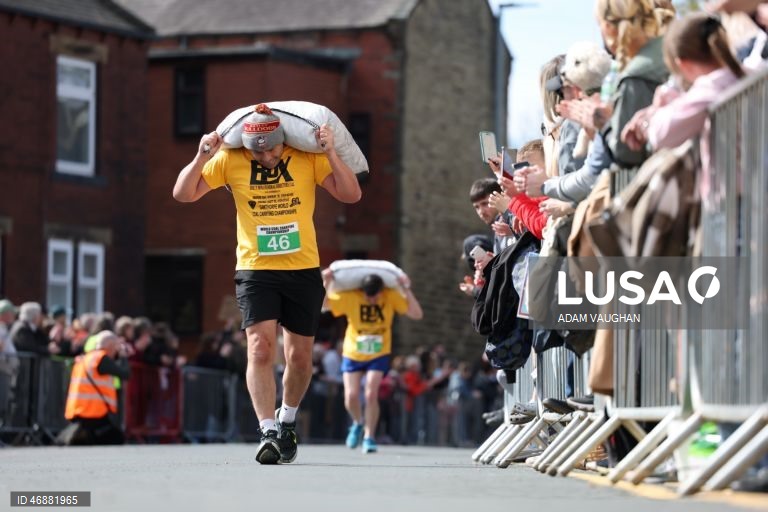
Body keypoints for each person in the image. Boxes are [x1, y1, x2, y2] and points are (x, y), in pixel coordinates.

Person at [173, 103, 361, 464]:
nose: (266, 158)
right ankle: (267, 430)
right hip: (255, 269)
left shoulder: (306, 157)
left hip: (303, 269)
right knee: (259, 348)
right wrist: (201, 156)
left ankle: (286, 418)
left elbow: (351, 194)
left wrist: (330, 153)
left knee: (299, 357)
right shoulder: (231, 161)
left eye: (271, 150)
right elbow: (183, 193)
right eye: (257, 153)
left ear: (283, 141)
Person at [321, 270, 423, 453]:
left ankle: (369, 436)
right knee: (351, 396)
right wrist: (327, 282)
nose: (372, 300)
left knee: (370, 394)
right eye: (368, 296)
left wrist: (406, 288)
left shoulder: (390, 296)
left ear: (381, 291)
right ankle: (358, 422)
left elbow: (417, 314)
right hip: (353, 351)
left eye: (375, 296)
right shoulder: (351, 297)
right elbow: (323, 305)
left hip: (379, 351)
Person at [63, 330, 130, 445]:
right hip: (92, 412)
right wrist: (123, 357)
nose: (116, 352)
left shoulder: (86, 358)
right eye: (115, 348)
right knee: (117, 438)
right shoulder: (101, 359)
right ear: (109, 346)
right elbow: (125, 374)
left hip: (79, 411)